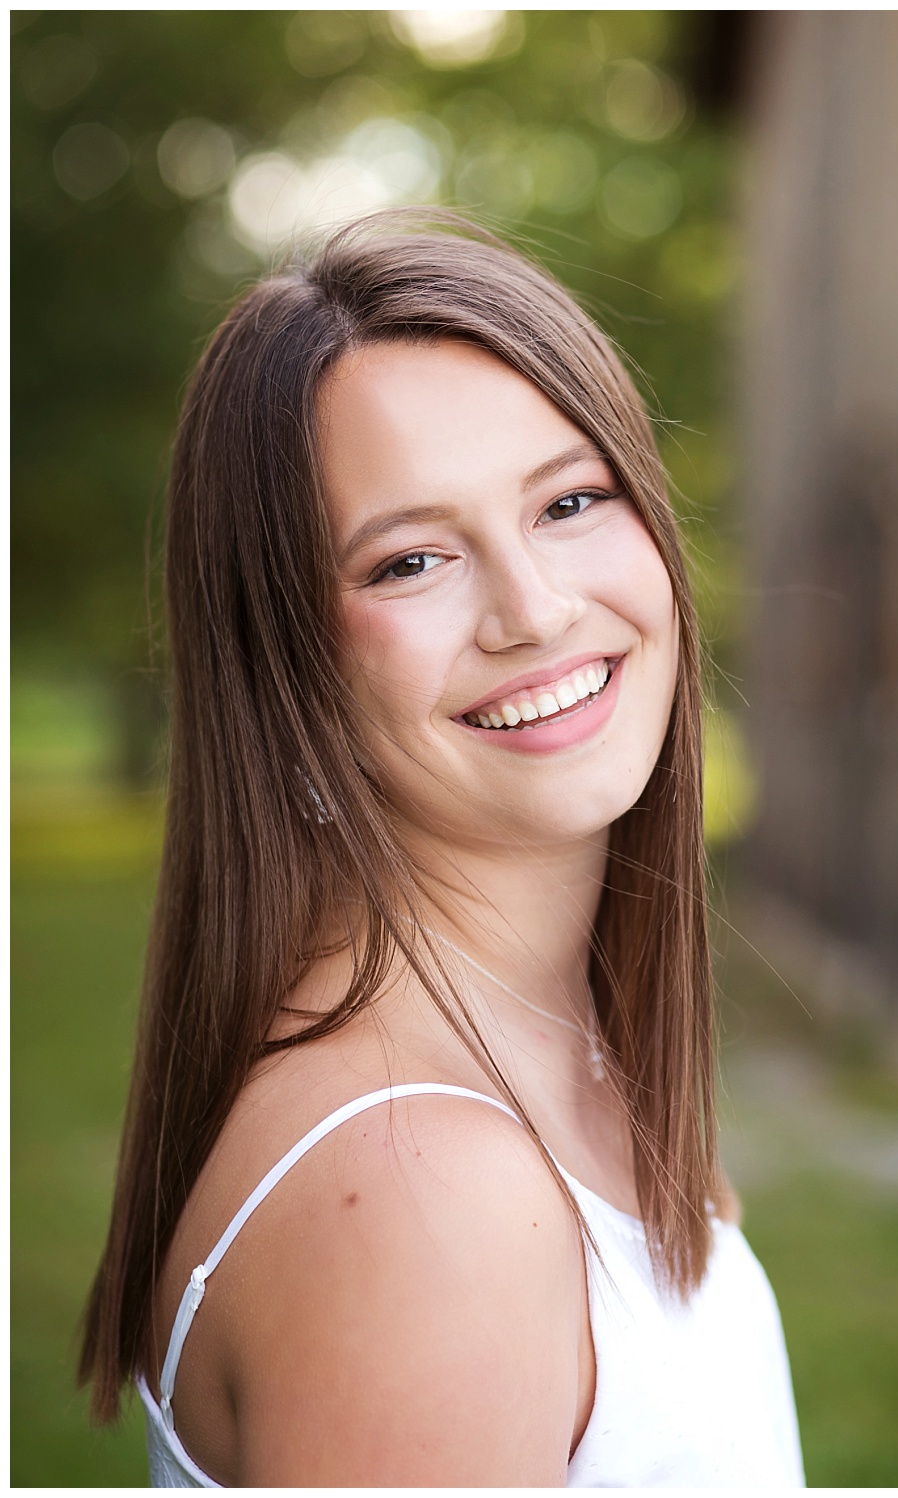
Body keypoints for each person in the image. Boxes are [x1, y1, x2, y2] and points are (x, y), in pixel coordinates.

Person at [79, 212, 805, 1486]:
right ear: (286, 666)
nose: (534, 609)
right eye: (410, 559)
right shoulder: (425, 1202)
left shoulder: (568, 1052)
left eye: (570, 500)